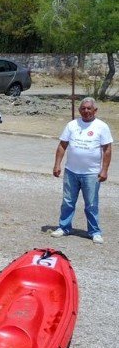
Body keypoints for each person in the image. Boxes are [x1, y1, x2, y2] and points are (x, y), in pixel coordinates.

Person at [51, 97, 112, 244]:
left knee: (91, 204)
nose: (86, 111)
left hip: (91, 173)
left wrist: (104, 170)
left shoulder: (101, 126)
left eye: (89, 108)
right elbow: (62, 145)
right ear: (79, 110)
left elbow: (107, 149)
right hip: (71, 171)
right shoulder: (72, 125)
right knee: (68, 201)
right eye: (83, 108)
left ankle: (94, 232)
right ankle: (64, 227)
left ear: (95, 110)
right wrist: (57, 164)